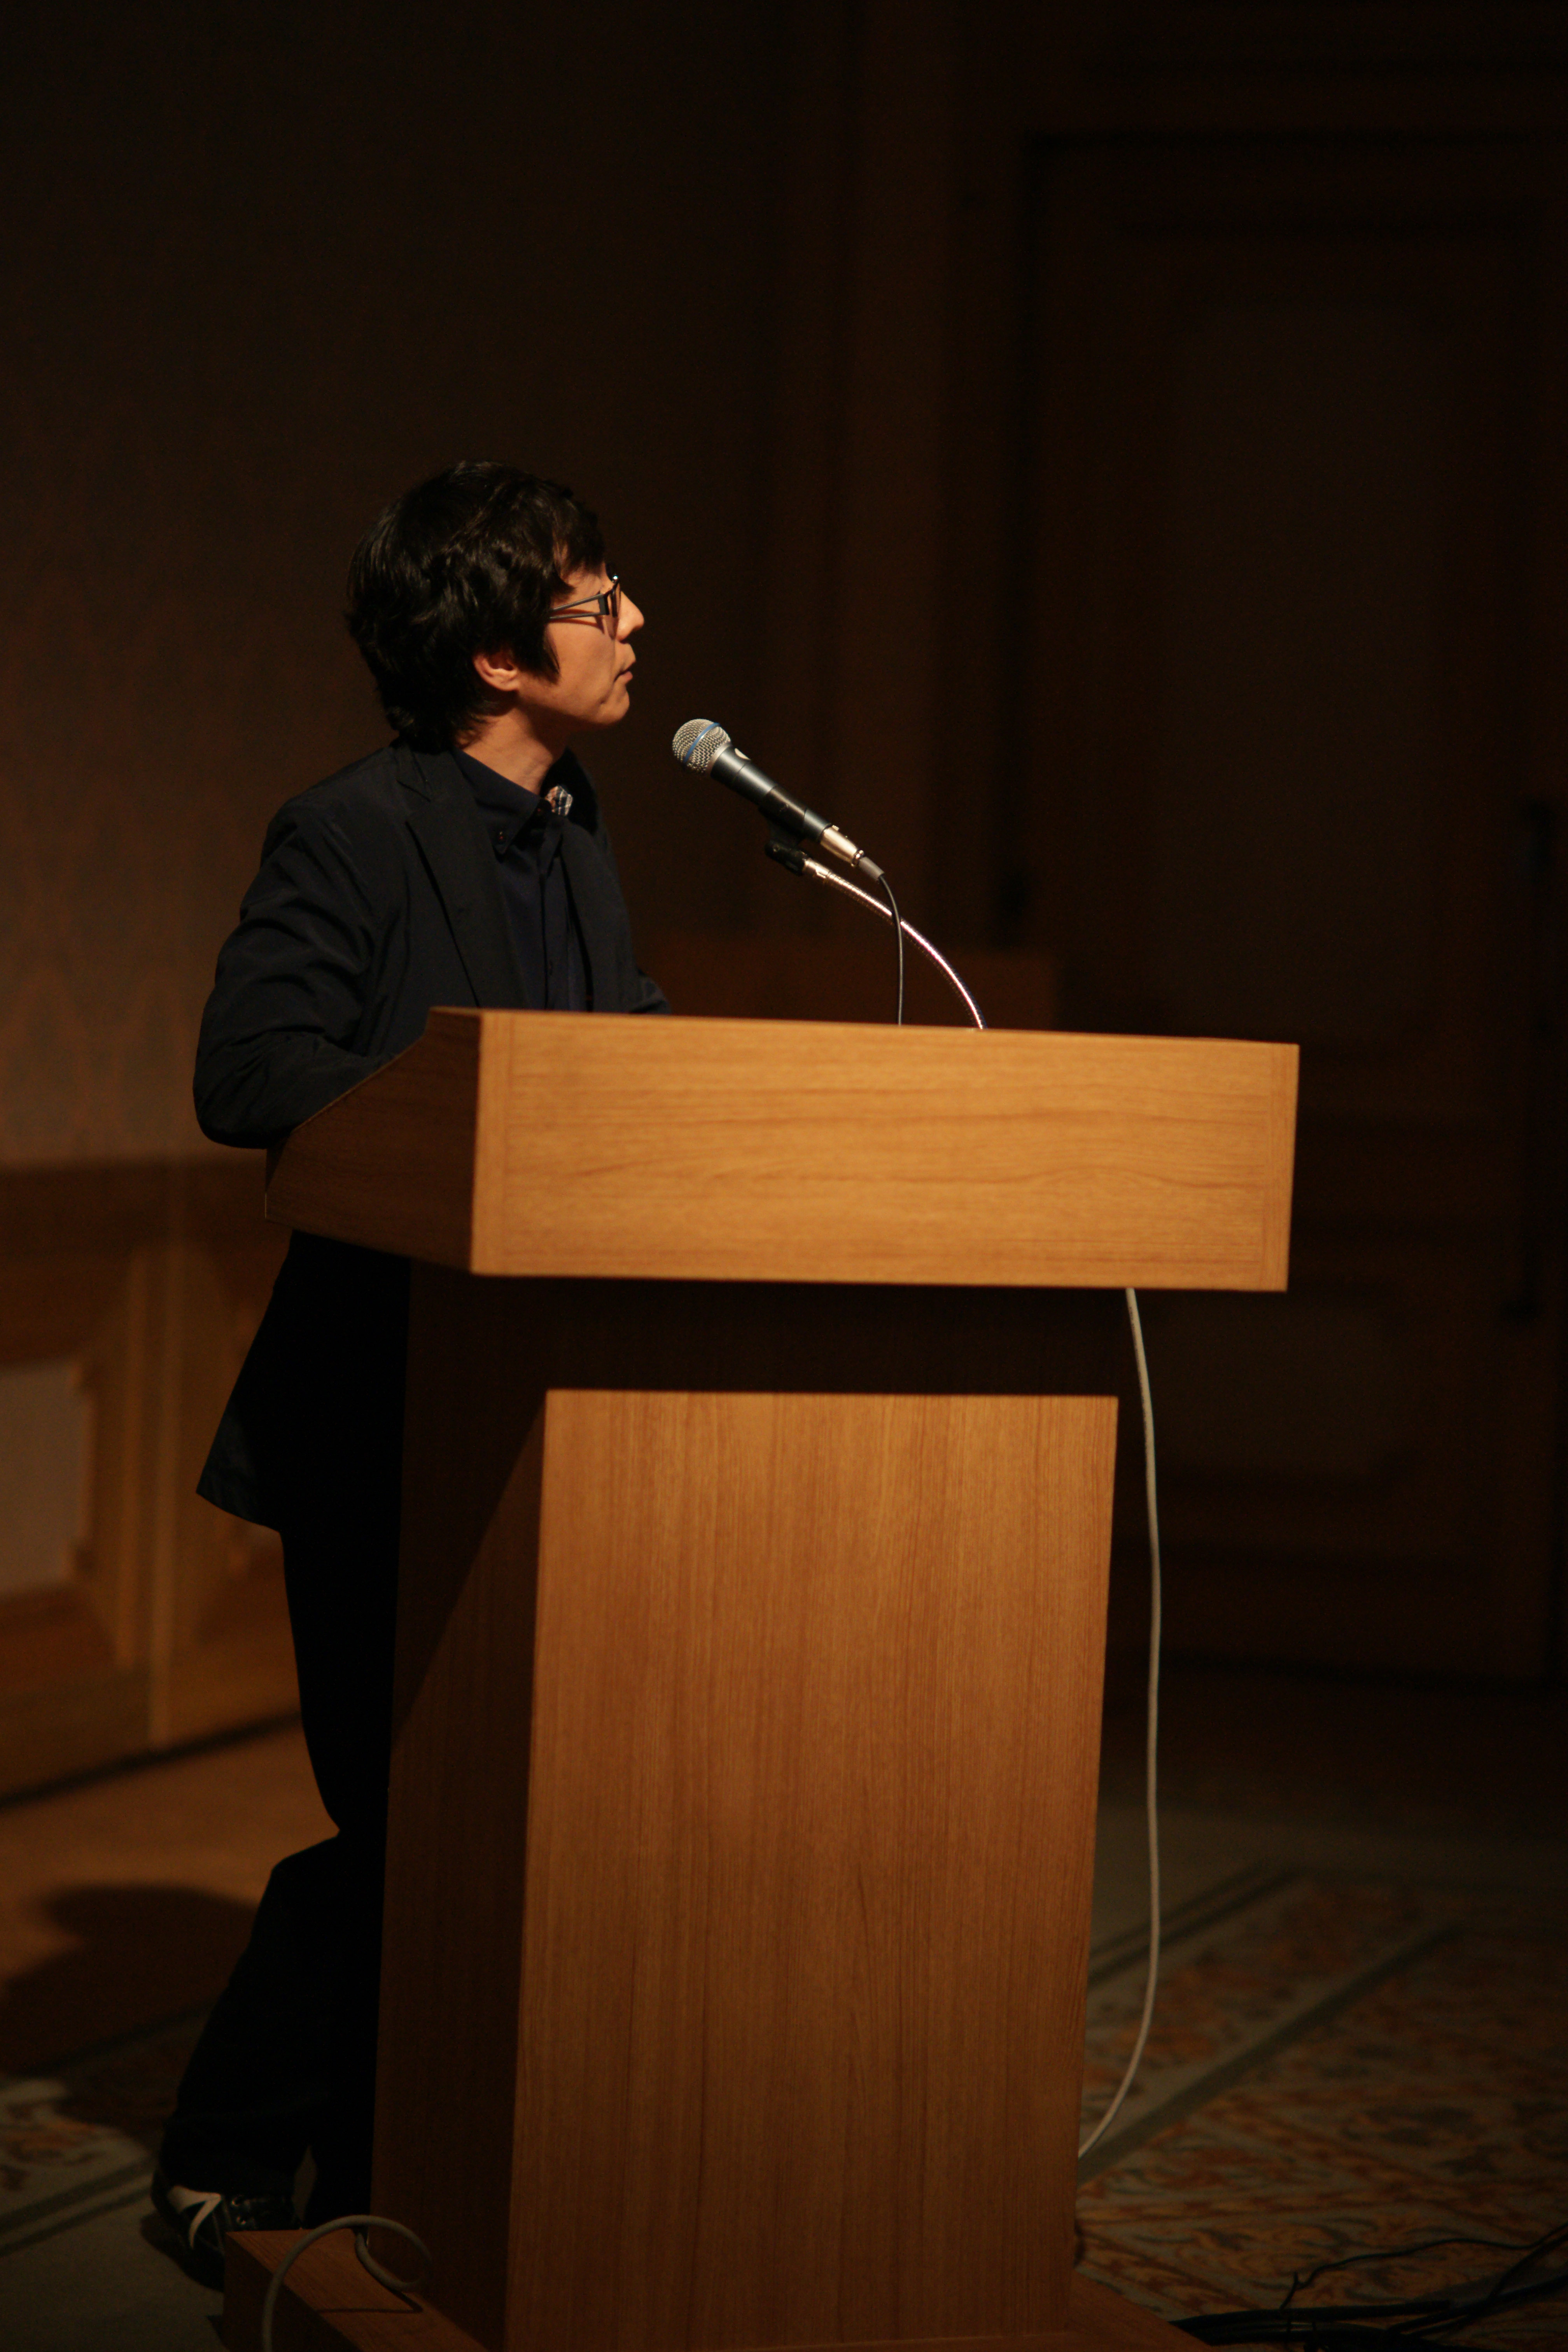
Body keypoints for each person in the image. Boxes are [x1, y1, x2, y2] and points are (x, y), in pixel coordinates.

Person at [152, 461, 667, 2284]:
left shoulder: (579, 834)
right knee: (410, 1816)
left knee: (507, 1813)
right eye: (597, 601)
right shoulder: (352, 829)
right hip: (381, 1404)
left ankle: (391, 2163)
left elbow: (625, 1078)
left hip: (556, 1410)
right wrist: (476, 1118)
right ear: (495, 650)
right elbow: (248, 1070)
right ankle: (229, 2148)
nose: (633, 625)